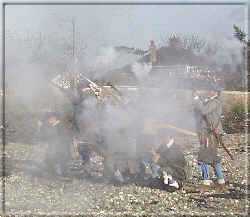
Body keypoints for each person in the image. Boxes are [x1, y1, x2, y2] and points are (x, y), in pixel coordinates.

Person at [192, 86, 226, 190]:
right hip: (209, 134)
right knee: (213, 158)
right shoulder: (210, 102)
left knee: (203, 157)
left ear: (215, 92)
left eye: (210, 89)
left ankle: (206, 182)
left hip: (211, 135)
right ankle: (221, 181)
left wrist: (196, 98)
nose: (208, 91)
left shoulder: (214, 102)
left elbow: (203, 111)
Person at [43, 111, 73, 176]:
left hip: (61, 146)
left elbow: (62, 136)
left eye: (49, 118)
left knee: (59, 159)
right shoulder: (54, 125)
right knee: (53, 158)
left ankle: (60, 172)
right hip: (57, 146)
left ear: (54, 118)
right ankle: (57, 171)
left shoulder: (60, 126)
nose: (48, 120)